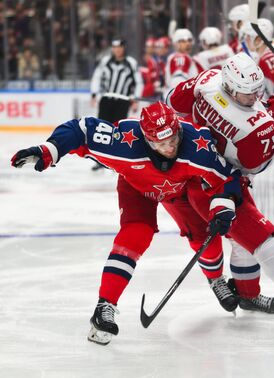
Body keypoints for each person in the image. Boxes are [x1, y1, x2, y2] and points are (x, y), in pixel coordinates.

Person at [11, 102, 243, 345]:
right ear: (147, 140)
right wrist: (48, 149)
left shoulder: (197, 144)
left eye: (173, 139)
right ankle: (105, 307)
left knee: (204, 235)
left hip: (178, 191)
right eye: (161, 144)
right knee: (136, 235)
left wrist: (223, 206)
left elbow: (227, 176)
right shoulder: (122, 142)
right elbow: (79, 130)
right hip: (136, 189)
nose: (170, 148)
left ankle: (216, 279)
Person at [167, 53, 274, 331]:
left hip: (204, 175)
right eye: (246, 94)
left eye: (256, 92)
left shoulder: (208, 80)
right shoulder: (254, 127)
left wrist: (266, 113)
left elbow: (173, 101)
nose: (253, 99)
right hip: (217, 188)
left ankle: (247, 296)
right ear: (229, 86)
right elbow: (257, 165)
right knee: (268, 248)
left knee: (242, 244)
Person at [90, 38, 143, 169]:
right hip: (107, 99)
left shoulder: (131, 63)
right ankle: (100, 160)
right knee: (102, 128)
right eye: (114, 47)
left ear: (124, 48)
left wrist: (135, 99)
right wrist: (94, 94)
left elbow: (139, 82)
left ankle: (116, 160)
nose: (117, 50)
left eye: (119, 47)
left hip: (123, 100)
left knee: (118, 130)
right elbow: (96, 77)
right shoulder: (105, 61)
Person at [239, 19, 274, 97]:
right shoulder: (273, 51)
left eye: (249, 36)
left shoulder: (265, 60)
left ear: (258, 40)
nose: (246, 39)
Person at [164, 28, 200, 94]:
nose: (187, 44)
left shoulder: (185, 57)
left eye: (189, 40)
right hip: (179, 99)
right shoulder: (180, 57)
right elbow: (177, 82)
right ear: (176, 43)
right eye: (183, 41)